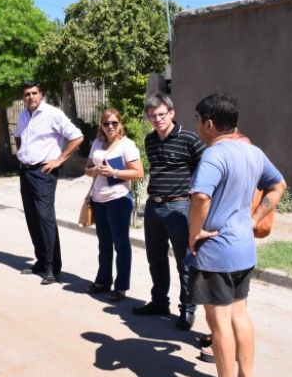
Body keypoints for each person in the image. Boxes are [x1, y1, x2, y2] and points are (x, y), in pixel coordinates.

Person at [188, 93, 286, 377]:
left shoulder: (214, 155)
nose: (197, 126)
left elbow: (200, 197)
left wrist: (195, 233)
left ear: (209, 124)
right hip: (243, 249)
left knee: (219, 323)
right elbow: (278, 185)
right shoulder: (253, 152)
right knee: (240, 315)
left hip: (216, 252)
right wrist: (254, 219)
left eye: (197, 120)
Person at [133, 93, 206, 331]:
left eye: (161, 114)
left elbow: (204, 169)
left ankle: (187, 309)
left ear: (171, 113)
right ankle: (159, 302)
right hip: (153, 206)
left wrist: (196, 199)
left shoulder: (189, 139)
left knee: (185, 261)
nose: (158, 119)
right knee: (155, 258)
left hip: (179, 207)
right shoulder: (150, 141)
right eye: (152, 116)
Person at [15, 80, 83, 285]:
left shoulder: (53, 114)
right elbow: (18, 136)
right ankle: (41, 261)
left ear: (41, 94)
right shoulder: (23, 115)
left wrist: (59, 159)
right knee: (32, 217)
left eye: (34, 93)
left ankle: (53, 267)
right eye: (27, 94)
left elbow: (77, 137)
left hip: (44, 172)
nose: (31, 97)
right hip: (26, 171)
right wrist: (22, 154)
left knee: (45, 218)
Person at [84, 108, 144, 301]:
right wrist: (94, 171)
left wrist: (115, 173)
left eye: (114, 123)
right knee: (104, 244)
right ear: (101, 125)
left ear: (120, 124)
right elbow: (87, 169)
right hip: (98, 199)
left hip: (118, 199)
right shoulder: (97, 143)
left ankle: (121, 286)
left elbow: (138, 173)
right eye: (106, 123)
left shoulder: (127, 145)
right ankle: (103, 281)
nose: (110, 126)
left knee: (121, 244)